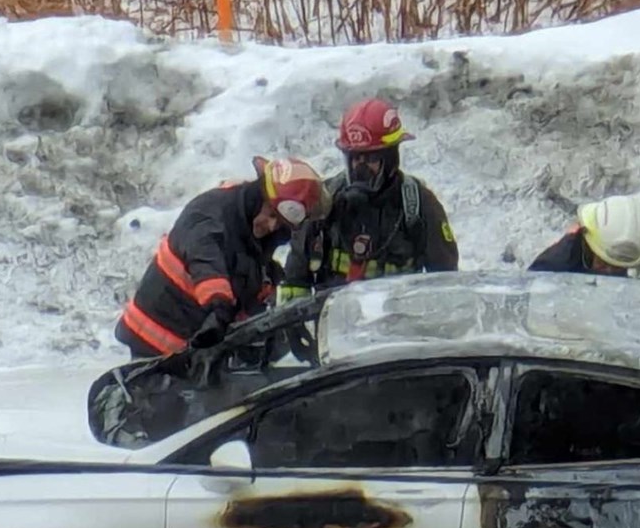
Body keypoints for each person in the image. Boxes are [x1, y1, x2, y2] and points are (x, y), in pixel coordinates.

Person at [115, 157, 326, 358]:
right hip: (156, 342)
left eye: (279, 223)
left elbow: (247, 283)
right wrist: (219, 305)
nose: (272, 226)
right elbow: (205, 259)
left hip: (196, 348)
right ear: (258, 196)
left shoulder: (251, 237)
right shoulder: (210, 213)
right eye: (271, 215)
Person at [277, 98, 458, 303]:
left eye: (371, 159)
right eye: (355, 158)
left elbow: (446, 283)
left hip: (396, 319)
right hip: (334, 320)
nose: (360, 168)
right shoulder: (324, 203)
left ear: (391, 158)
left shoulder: (418, 205)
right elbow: (294, 281)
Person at [529, 196, 640, 277]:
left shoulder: (619, 251)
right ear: (587, 246)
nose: (608, 272)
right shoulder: (552, 267)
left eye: (617, 268)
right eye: (602, 263)